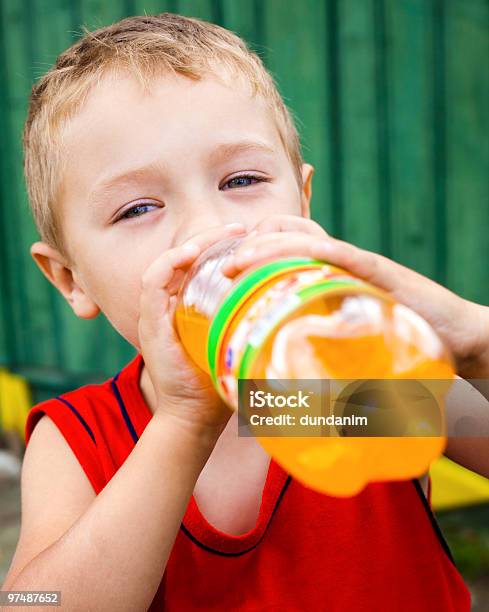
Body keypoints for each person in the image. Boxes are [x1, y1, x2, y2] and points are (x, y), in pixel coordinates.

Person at [2, 13, 487, 611]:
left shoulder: (344, 389)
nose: (211, 229)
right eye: (137, 208)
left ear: (303, 203)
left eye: (242, 178)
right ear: (71, 279)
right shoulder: (84, 439)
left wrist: (475, 339)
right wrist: (184, 423)